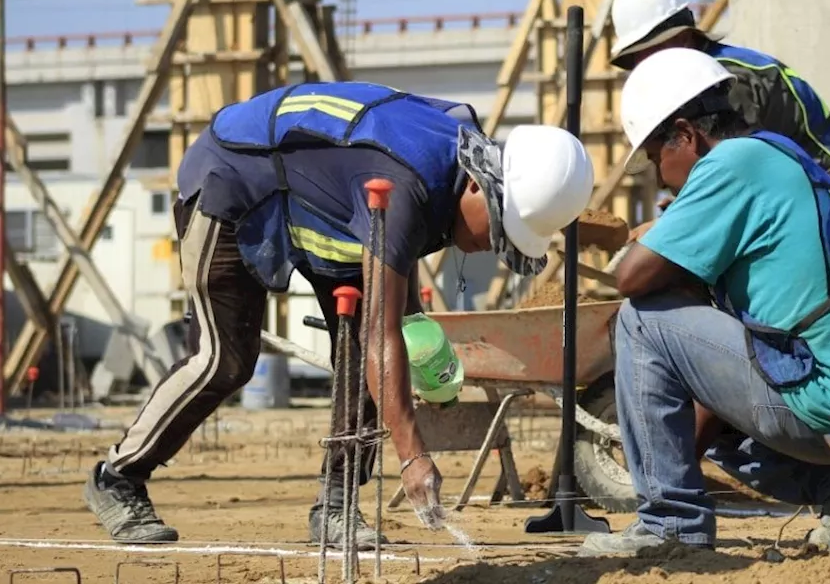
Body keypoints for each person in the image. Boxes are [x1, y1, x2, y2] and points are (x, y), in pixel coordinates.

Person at [83, 81, 594, 546]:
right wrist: (413, 454)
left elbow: (385, 320)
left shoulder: (459, 156)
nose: (488, 248)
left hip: (327, 205)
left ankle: (336, 504)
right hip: (234, 178)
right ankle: (118, 477)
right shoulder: (403, 188)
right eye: (497, 232)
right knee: (226, 358)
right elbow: (381, 333)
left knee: (359, 358)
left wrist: (415, 344)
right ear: (480, 185)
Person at [579, 48, 830, 557]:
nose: (660, 177)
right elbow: (720, 385)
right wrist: (671, 452)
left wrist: (663, 230)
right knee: (724, 387)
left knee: (640, 319)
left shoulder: (732, 162)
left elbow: (632, 277)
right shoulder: (788, 159)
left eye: (656, 155)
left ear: (685, 134)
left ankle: (668, 526)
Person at [610, 0, 830, 198]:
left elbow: (736, 172)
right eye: (635, 58)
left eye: (647, 53)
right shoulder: (701, 77)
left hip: (827, 190)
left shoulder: (725, 79)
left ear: (683, 37)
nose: (641, 66)